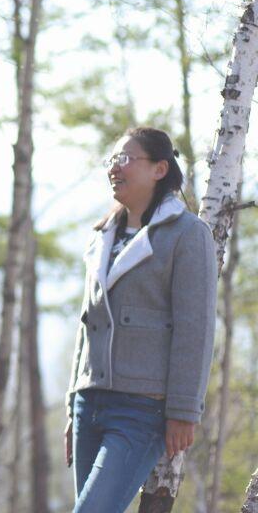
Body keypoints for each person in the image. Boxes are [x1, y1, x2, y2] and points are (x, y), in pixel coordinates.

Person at [65, 127, 217, 513]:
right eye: (112, 160)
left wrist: (184, 410)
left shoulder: (188, 234)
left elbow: (194, 329)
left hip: (141, 409)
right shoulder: (101, 235)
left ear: (159, 169)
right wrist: (72, 404)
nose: (114, 168)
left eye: (125, 158)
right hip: (89, 402)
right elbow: (88, 325)